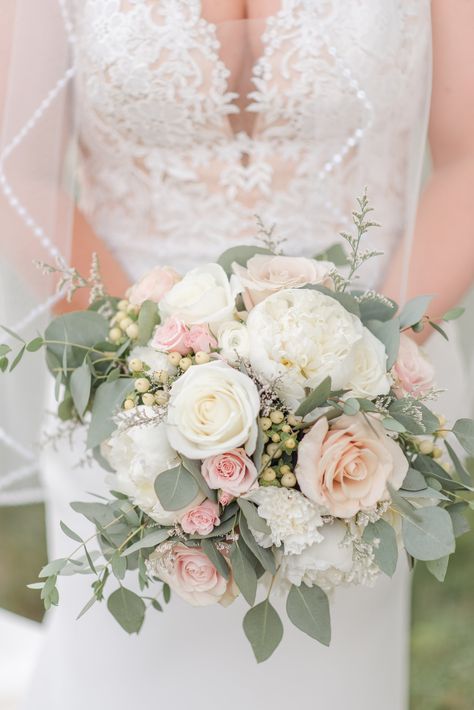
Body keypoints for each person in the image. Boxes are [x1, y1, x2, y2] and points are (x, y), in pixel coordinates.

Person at [0, 2, 473, 709]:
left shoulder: (362, 405)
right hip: (120, 393)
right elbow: (19, 168)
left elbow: (467, 160)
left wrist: (371, 373)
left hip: (355, 423)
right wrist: (152, 376)